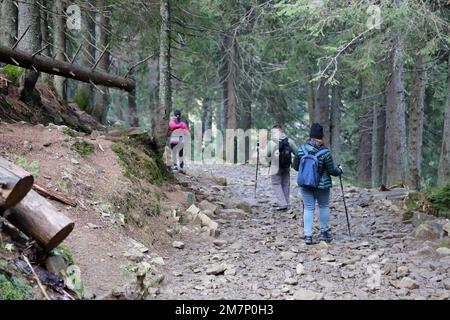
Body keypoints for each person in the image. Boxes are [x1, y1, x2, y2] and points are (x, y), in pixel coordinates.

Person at [293, 123, 343, 245]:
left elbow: (295, 167)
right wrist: (340, 169)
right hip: (322, 186)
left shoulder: (301, 150)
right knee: (324, 206)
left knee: (309, 208)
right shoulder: (325, 152)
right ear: (321, 136)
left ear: (310, 135)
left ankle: (308, 235)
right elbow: (332, 171)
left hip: (306, 184)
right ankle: (323, 232)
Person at [266, 124, 297, 211]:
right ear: (281, 131)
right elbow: (297, 153)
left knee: (276, 184)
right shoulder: (289, 141)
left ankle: (282, 203)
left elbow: (267, 154)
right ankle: (286, 202)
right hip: (286, 166)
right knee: (286, 183)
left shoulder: (271, 142)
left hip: (275, 166)